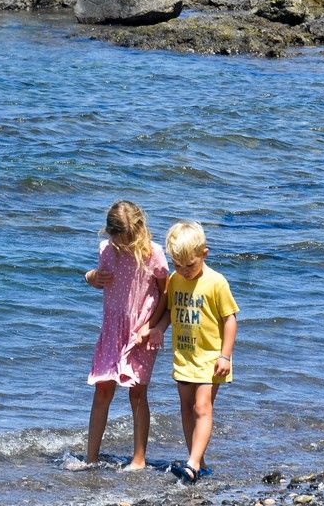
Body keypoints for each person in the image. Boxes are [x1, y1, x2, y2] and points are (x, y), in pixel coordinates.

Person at [83, 200, 169, 470]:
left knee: (137, 393)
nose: (124, 246)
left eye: (129, 240)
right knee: (102, 389)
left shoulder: (153, 253)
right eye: (119, 240)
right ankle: (91, 457)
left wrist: (153, 326)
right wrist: (91, 277)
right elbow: (97, 278)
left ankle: (139, 458)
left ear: (140, 230)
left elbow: (166, 294)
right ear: (109, 233)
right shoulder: (106, 250)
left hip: (141, 331)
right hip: (112, 329)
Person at [160, 220, 239, 485]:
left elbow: (230, 320)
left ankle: (192, 464)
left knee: (202, 406)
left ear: (204, 253)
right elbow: (170, 312)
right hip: (183, 356)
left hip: (210, 358)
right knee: (186, 408)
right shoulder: (175, 280)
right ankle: (199, 460)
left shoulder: (216, 282)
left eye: (189, 265)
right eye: (177, 264)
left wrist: (225, 355)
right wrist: (156, 330)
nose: (183, 270)